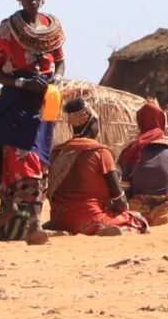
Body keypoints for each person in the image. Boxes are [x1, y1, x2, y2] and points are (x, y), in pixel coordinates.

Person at [0, 0, 64, 243]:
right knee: (20, 162)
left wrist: (57, 79)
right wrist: (23, 83)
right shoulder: (7, 29)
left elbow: (60, 60)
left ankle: (33, 223)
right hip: (17, 105)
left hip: (45, 104)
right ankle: (21, 220)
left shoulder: (53, 26)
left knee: (40, 162)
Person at [45, 97, 146, 235]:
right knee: (138, 220)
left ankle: (64, 230)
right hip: (91, 217)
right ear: (92, 124)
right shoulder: (100, 152)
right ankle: (106, 228)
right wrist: (122, 208)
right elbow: (119, 201)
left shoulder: (57, 152)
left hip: (60, 219)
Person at [118, 101, 168, 226]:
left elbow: (126, 188)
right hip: (165, 210)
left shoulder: (130, 151)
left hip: (138, 210)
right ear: (162, 122)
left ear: (141, 123)